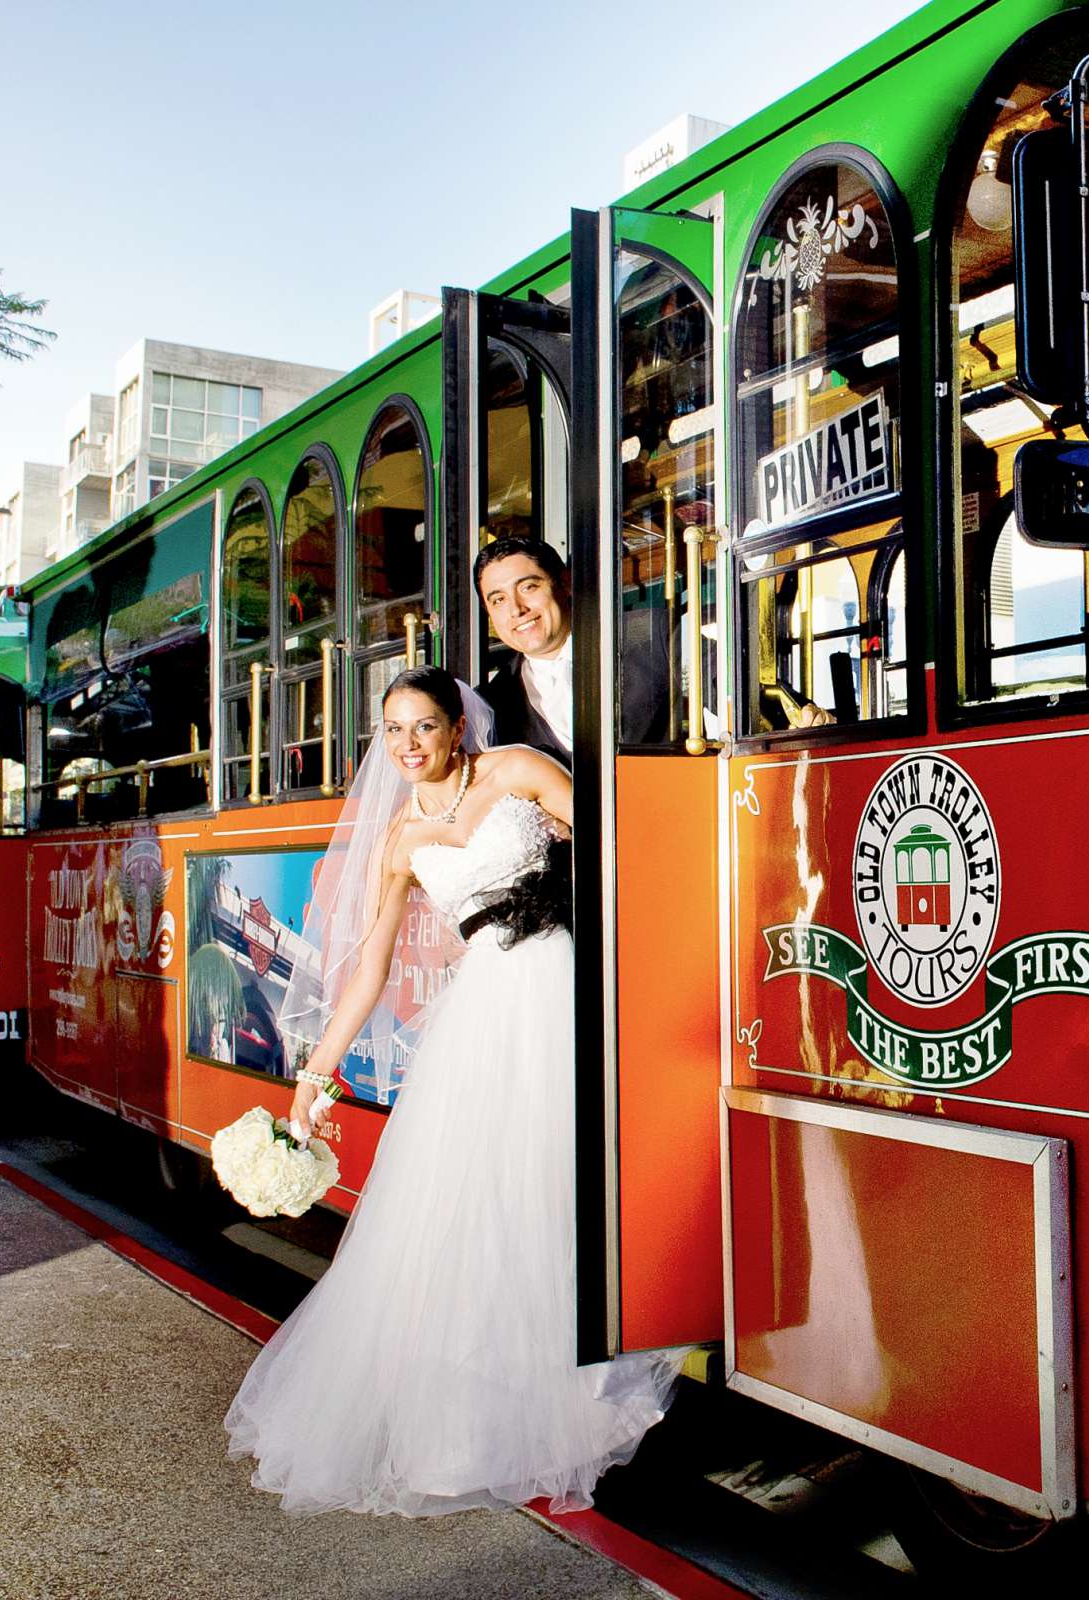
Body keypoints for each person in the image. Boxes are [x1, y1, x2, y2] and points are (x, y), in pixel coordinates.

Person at [223, 666, 676, 1515]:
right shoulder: (397, 837)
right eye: (392, 732)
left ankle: (588, 1379)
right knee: (483, 1208)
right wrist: (313, 1081)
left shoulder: (515, 771)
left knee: (565, 1191)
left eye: (423, 727)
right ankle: (480, 1427)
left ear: (456, 727)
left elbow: (624, 844)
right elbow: (366, 971)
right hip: (485, 1015)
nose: (408, 746)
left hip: (569, 985)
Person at [474, 536, 574, 766]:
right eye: (499, 600)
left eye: (528, 587)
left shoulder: (652, 636)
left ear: (565, 583)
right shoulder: (488, 705)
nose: (517, 609)